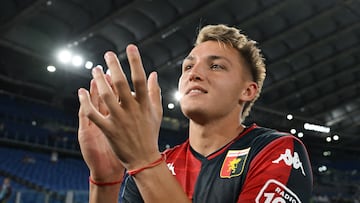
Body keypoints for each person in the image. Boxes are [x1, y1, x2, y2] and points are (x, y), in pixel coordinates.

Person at [78, 24, 313, 202]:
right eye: (188, 66)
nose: (194, 73)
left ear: (248, 90)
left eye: (216, 66)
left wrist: (144, 161)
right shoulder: (160, 163)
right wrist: (105, 181)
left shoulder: (278, 150)